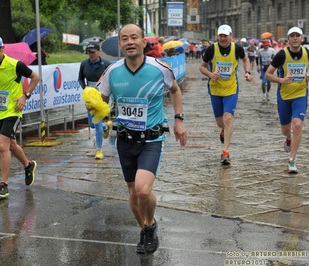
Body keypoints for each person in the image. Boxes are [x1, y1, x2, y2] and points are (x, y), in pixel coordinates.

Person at [96, 24, 187, 254]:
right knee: (133, 193)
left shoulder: (159, 68)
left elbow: (175, 91)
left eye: (134, 37)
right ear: (120, 45)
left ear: (143, 42)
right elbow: (101, 100)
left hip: (151, 140)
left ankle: (151, 223)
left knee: (143, 190)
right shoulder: (112, 72)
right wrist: (96, 107)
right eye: (124, 39)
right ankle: (146, 229)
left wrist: (178, 119)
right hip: (124, 139)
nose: (129, 42)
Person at [0, 35, 40, 197]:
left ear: (2, 48)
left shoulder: (15, 64)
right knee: (11, 145)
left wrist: (25, 96)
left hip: (13, 110)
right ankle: (28, 165)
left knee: (2, 146)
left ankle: (3, 185)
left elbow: (35, 78)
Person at [199, 24, 252, 165]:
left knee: (228, 117)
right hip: (215, 89)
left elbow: (246, 59)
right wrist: (210, 74)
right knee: (220, 122)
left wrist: (248, 72)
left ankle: (225, 152)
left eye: (225, 35)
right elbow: (201, 67)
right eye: (221, 36)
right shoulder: (211, 49)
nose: (223, 38)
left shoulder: (237, 49)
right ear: (218, 36)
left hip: (231, 89)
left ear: (231, 36)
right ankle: (223, 130)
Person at [265, 27, 309, 173]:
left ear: (302, 38)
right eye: (292, 36)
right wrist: (282, 80)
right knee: (285, 129)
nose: (295, 38)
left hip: (301, 95)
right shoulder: (282, 55)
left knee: (297, 125)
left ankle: (292, 160)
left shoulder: (307, 53)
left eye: (298, 36)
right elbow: (268, 75)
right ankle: (288, 138)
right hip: (284, 96)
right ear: (288, 39)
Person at [78, 42, 112, 159]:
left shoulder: (106, 65)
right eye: (89, 52)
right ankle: (106, 126)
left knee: (96, 123)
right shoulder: (84, 64)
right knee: (92, 124)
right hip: (89, 97)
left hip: (102, 96)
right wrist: (85, 87)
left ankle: (99, 149)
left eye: (93, 52)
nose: (91, 55)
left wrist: (106, 92)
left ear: (98, 52)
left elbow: (110, 80)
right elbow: (80, 78)